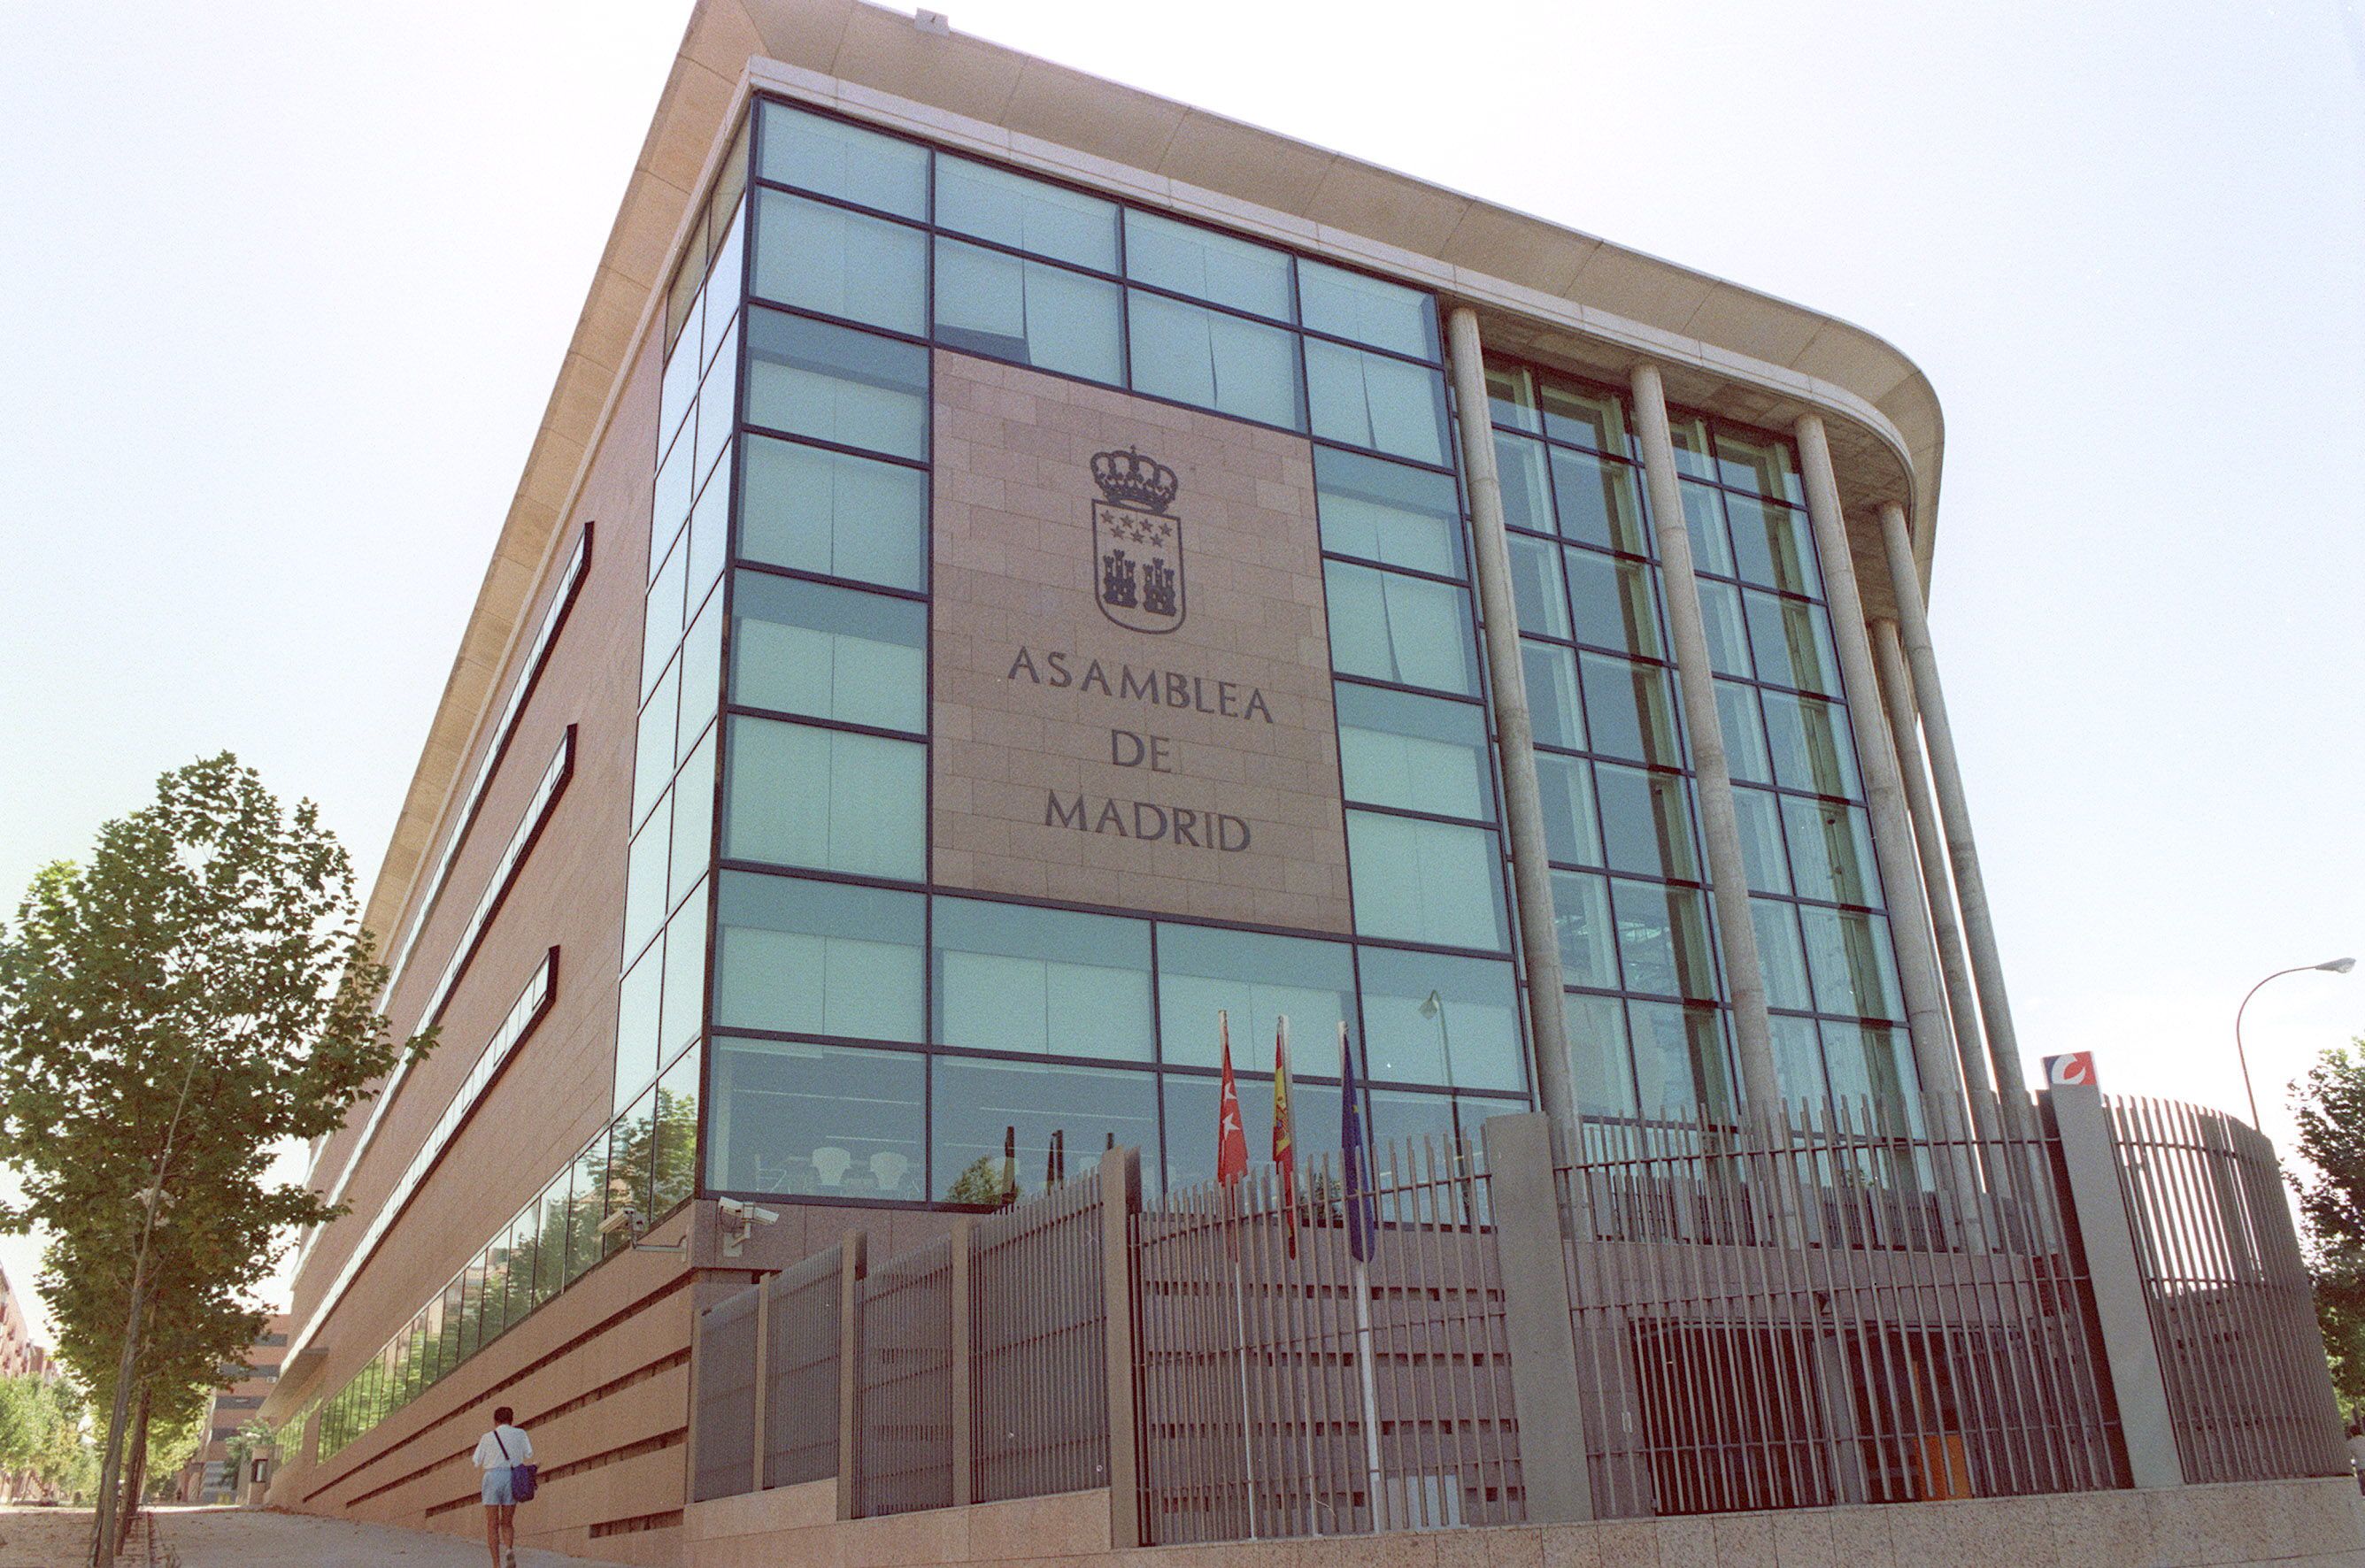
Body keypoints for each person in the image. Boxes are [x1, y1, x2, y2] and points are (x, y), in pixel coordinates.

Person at [472, 1404, 533, 1568]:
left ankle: (496, 1565)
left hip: (492, 1477)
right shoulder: (520, 1434)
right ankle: (509, 1549)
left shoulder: (487, 1437)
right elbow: (528, 1454)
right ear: (511, 1420)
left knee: (492, 1524)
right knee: (507, 1522)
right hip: (512, 1478)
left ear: (495, 1421)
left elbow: (476, 1461)